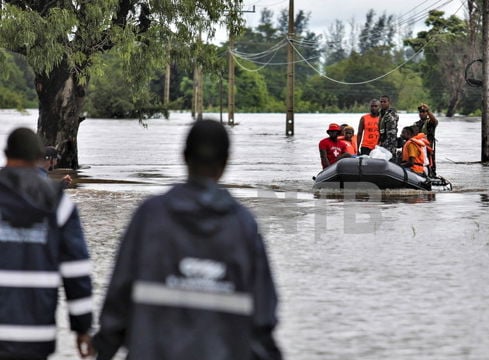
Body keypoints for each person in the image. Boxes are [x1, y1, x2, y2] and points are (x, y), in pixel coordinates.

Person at [92, 120, 282, 360]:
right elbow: (263, 317)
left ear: (184, 156)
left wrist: (104, 348)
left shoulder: (150, 216)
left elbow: (118, 298)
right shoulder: (243, 224)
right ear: (225, 162)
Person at [0, 128, 93, 360]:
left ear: (5, 154)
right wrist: (82, 328)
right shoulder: (58, 202)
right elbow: (76, 271)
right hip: (37, 333)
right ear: (37, 158)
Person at [413, 103, 439, 176]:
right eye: (420, 112)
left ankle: (431, 175)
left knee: (430, 165)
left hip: (428, 149)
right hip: (417, 148)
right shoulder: (416, 124)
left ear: (427, 113)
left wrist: (428, 110)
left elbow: (434, 121)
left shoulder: (430, 123)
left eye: (423, 112)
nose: (421, 114)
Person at [378, 95, 399, 162]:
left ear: (389, 102)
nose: (382, 103)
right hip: (382, 142)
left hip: (390, 143)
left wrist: (388, 146)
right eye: (381, 102)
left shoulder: (392, 113)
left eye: (384, 102)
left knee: (390, 161)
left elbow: (392, 133)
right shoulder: (381, 113)